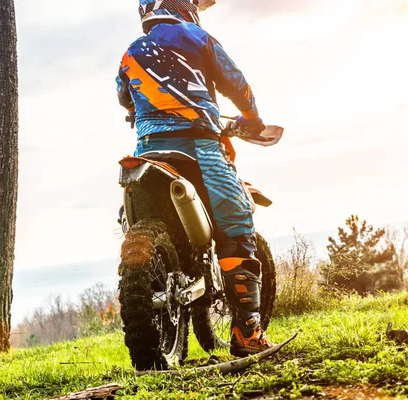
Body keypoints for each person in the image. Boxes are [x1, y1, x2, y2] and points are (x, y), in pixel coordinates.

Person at [116, 0, 274, 357]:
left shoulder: (130, 52)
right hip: (198, 147)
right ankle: (247, 333)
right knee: (235, 224)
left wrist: (141, 111)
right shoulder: (196, 37)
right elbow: (235, 81)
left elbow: (124, 98)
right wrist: (251, 116)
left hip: (148, 154)